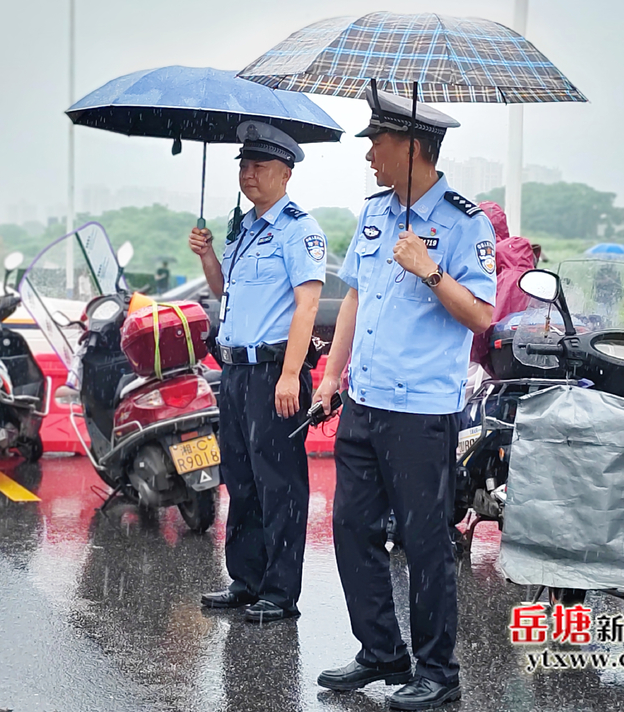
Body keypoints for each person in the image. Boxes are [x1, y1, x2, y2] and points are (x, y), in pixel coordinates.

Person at [314, 90, 496, 710]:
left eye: (377, 141)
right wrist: (331, 378)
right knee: (350, 529)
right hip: (363, 401)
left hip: (420, 412)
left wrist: (429, 269)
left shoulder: (465, 222)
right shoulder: (373, 212)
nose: (368, 153)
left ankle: (438, 673)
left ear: (413, 148)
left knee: (424, 543)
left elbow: (480, 317)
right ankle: (382, 653)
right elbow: (356, 299)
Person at [188, 120, 325, 623]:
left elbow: (305, 306)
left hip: (274, 373)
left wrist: (291, 375)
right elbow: (227, 291)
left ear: (285, 174)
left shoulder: (298, 229)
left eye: (259, 166)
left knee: (280, 484)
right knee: (240, 478)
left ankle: (280, 592)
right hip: (236, 373)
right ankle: (245, 580)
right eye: (244, 165)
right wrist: (207, 257)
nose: (248, 174)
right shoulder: (242, 228)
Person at [469, 201, 536, 377]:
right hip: (522, 355)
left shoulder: (502, 275)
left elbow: (487, 325)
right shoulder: (526, 275)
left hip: (492, 359)